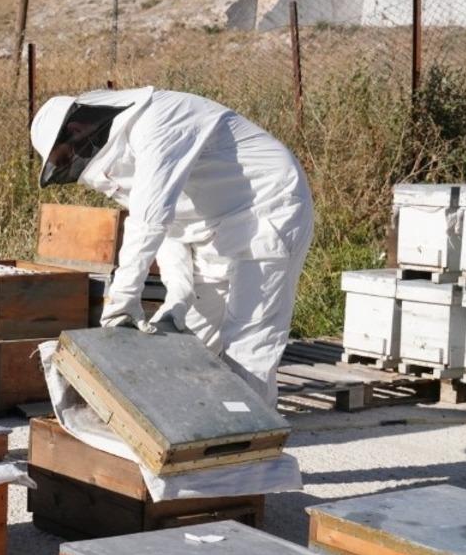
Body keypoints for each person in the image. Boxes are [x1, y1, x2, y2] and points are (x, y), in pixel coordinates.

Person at [30, 87, 314, 406]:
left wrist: (122, 298)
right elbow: (170, 229)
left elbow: (150, 219)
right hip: (211, 230)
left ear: (76, 130)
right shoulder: (121, 155)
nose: (73, 164)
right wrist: (179, 293)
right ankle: (191, 441)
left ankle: (251, 448)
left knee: (247, 348)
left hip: (268, 210)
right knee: (187, 348)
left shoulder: (160, 120)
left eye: (66, 157)